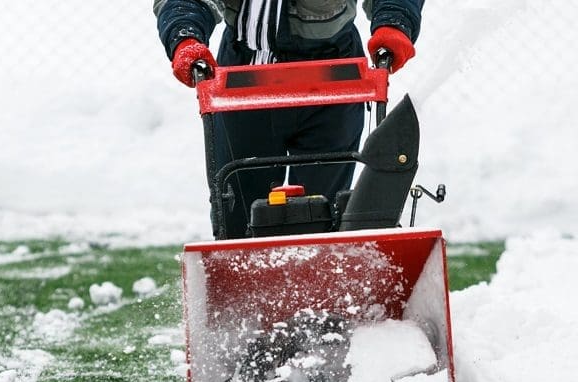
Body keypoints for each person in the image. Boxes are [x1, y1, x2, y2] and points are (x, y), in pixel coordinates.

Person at [153, 0, 424, 239]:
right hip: (243, 73)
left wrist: (393, 24)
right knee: (236, 213)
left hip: (333, 73)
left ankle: (322, 285)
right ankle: (237, 285)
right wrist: (185, 38)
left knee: (323, 213)